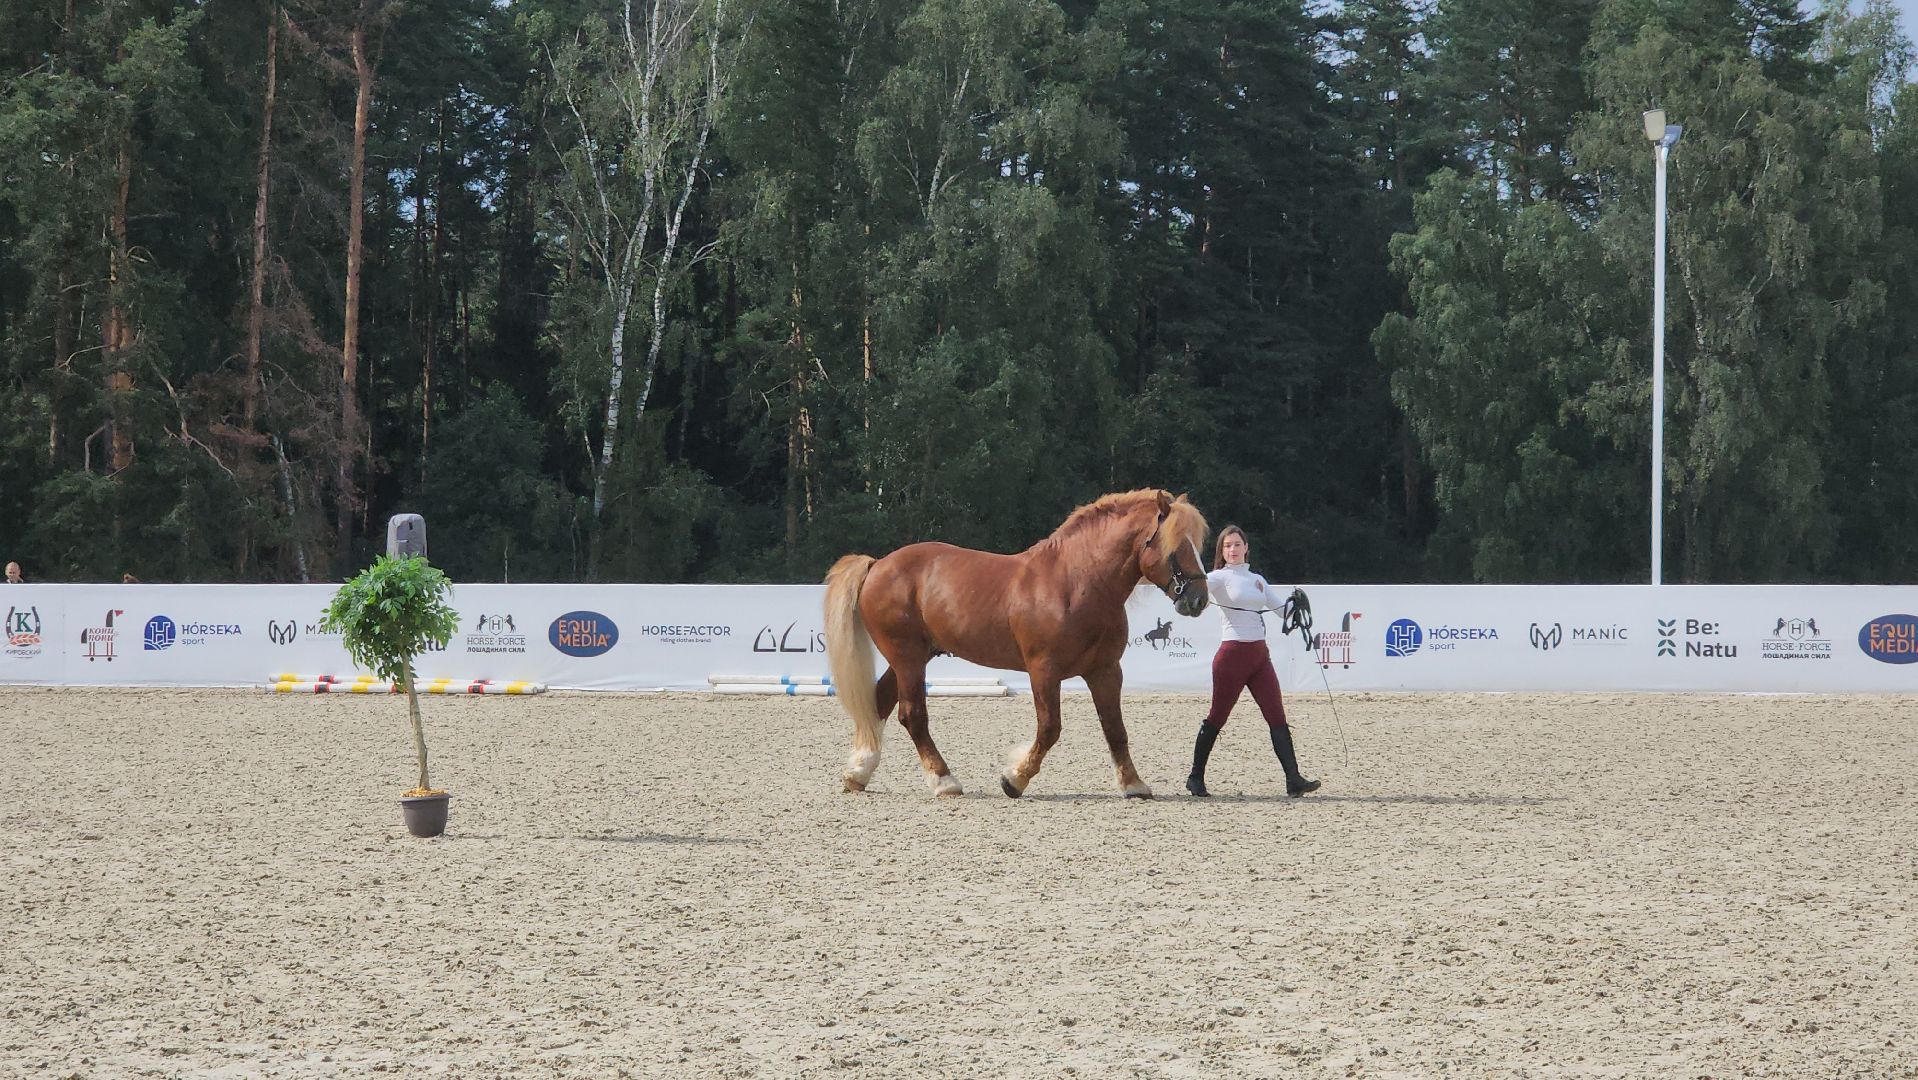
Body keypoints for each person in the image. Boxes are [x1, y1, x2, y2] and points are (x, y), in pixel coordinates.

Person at [1184, 525, 1320, 797]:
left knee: (1277, 716)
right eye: (1227, 546)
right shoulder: (1219, 577)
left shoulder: (1258, 579)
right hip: (1232, 656)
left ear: (1246, 548)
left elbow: (1283, 612)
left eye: (1236, 544)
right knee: (1217, 717)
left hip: (1259, 656)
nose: (1232, 550)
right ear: (1221, 551)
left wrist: (1297, 604)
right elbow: (1194, 589)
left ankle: (1293, 779)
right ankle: (1195, 776)